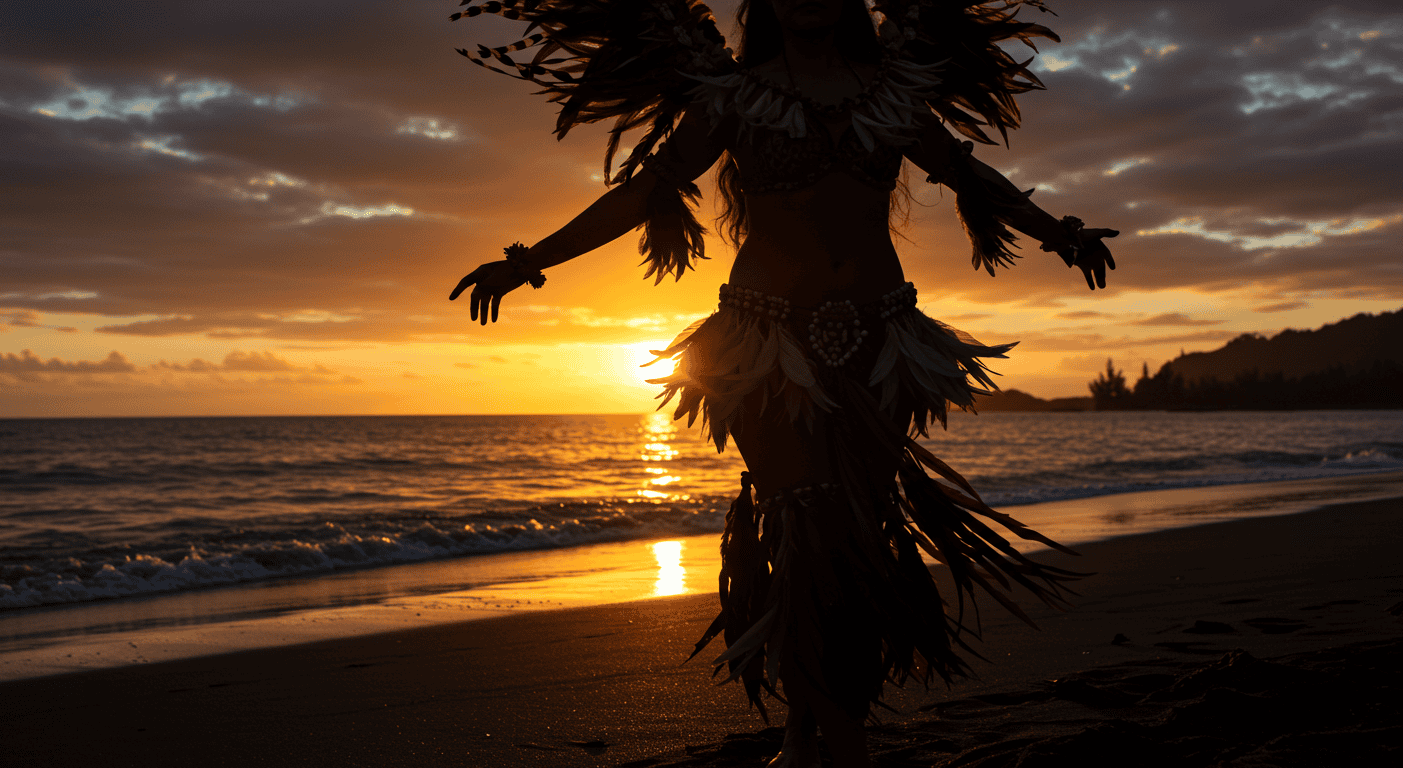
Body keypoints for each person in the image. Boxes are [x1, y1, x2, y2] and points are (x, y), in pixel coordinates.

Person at [449, 1, 1117, 765]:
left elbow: (968, 173)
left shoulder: (891, 89)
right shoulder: (731, 94)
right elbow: (645, 190)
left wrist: (1059, 234)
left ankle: (811, 723)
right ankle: (844, 742)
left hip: (883, 340)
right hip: (766, 346)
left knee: (860, 534)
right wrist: (530, 260)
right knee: (806, 524)